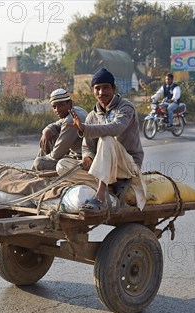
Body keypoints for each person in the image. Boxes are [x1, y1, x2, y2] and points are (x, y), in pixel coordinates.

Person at [61, 68, 146, 215]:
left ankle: (100, 195)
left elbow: (115, 129)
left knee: (106, 139)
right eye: (97, 88)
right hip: (107, 168)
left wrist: (85, 128)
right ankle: (111, 183)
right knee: (62, 166)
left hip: (128, 165)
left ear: (114, 88)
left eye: (105, 87)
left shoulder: (125, 108)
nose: (101, 92)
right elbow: (87, 147)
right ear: (93, 90)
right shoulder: (92, 116)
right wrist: (88, 158)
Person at [31, 88, 87, 171]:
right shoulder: (77, 110)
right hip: (76, 155)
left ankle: (34, 173)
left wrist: (45, 157)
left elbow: (56, 154)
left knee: (38, 162)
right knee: (48, 137)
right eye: (54, 107)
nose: (57, 110)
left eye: (61, 105)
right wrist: (46, 131)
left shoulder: (71, 119)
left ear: (70, 103)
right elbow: (56, 125)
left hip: (80, 160)